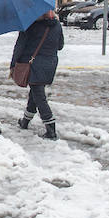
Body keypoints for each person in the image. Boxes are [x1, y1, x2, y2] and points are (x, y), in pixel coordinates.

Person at [11, 10, 64, 140]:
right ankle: (25, 121)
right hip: (50, 63)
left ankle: (51, 128)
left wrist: (13, 65)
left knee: (39, 96)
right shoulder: (57, 24)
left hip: (33, 64)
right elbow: (60, 46)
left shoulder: (29, 25)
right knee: (35, 92)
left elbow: (19, 46)